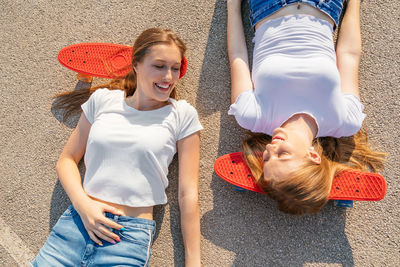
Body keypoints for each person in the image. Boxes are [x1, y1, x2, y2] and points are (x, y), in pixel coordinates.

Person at [31, 28, 202, 266]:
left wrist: (193, 262)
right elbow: (67, 160)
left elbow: (187, 195)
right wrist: (83, 206)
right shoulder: (103, 100)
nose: (169, 77)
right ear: (136, 65)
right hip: (76, 226)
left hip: (127, 238)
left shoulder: (182, 115)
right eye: (159, 66)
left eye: (175, 68)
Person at [226, 0, 385, 215]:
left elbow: (237, 56)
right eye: (282, 155)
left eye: (266, 158)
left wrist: (233, 7)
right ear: (313, 156)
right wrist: (354, 3)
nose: (271, 149)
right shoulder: (344, 121)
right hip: (324, 5)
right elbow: (348, 54)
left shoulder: (252, 116)